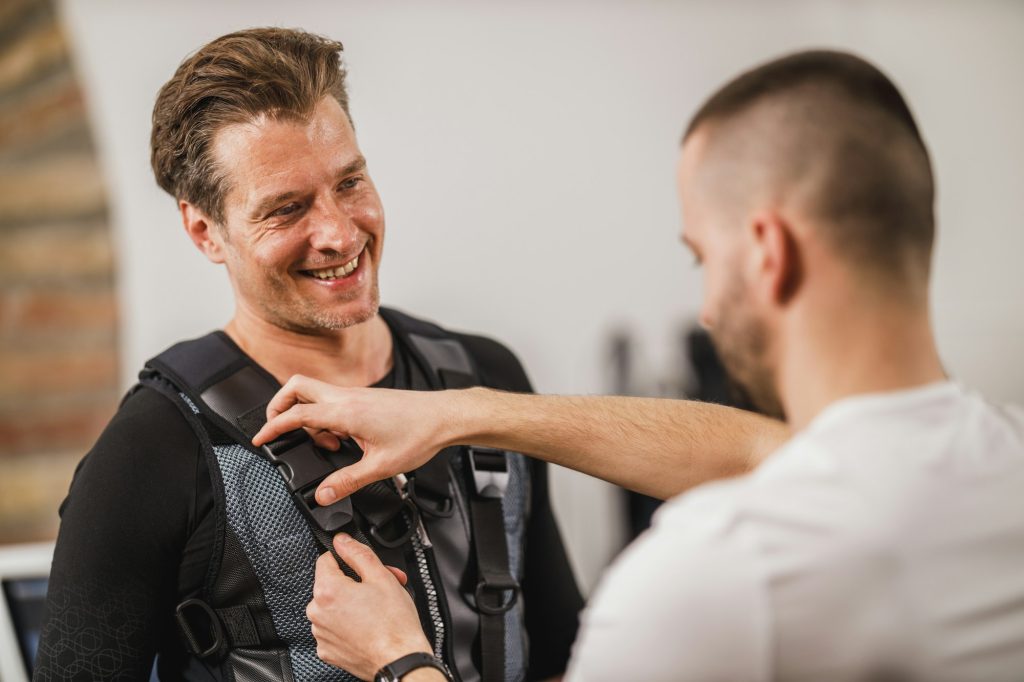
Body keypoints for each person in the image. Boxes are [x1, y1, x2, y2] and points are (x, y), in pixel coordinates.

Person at [253, 50, 1024, 681]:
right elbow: (764, 451)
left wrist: (399, 661)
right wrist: (467, 413)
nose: (709, 311)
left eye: (702, 258)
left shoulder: (717, 569)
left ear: (767, 253)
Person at [34, 28, 598, 682]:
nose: (337, 232)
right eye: (287, 209)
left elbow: (559, 657)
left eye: (350, 181)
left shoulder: (486, 381)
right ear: (203, 230)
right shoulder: (150, 454)